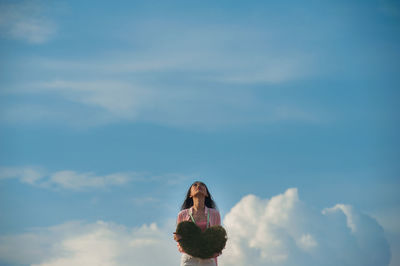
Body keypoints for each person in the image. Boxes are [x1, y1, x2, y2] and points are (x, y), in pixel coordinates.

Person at [174, 181, 221, 266]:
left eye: (202, 185)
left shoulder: (215, 214)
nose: (199, 186)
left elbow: (217, 236)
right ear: (190, 194)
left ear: (206, 194)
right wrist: (179, 239)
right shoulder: (182, 214)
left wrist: (217, 249)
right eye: (195, 185)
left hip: (208, 257)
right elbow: (180, 241)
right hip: (189, 258)